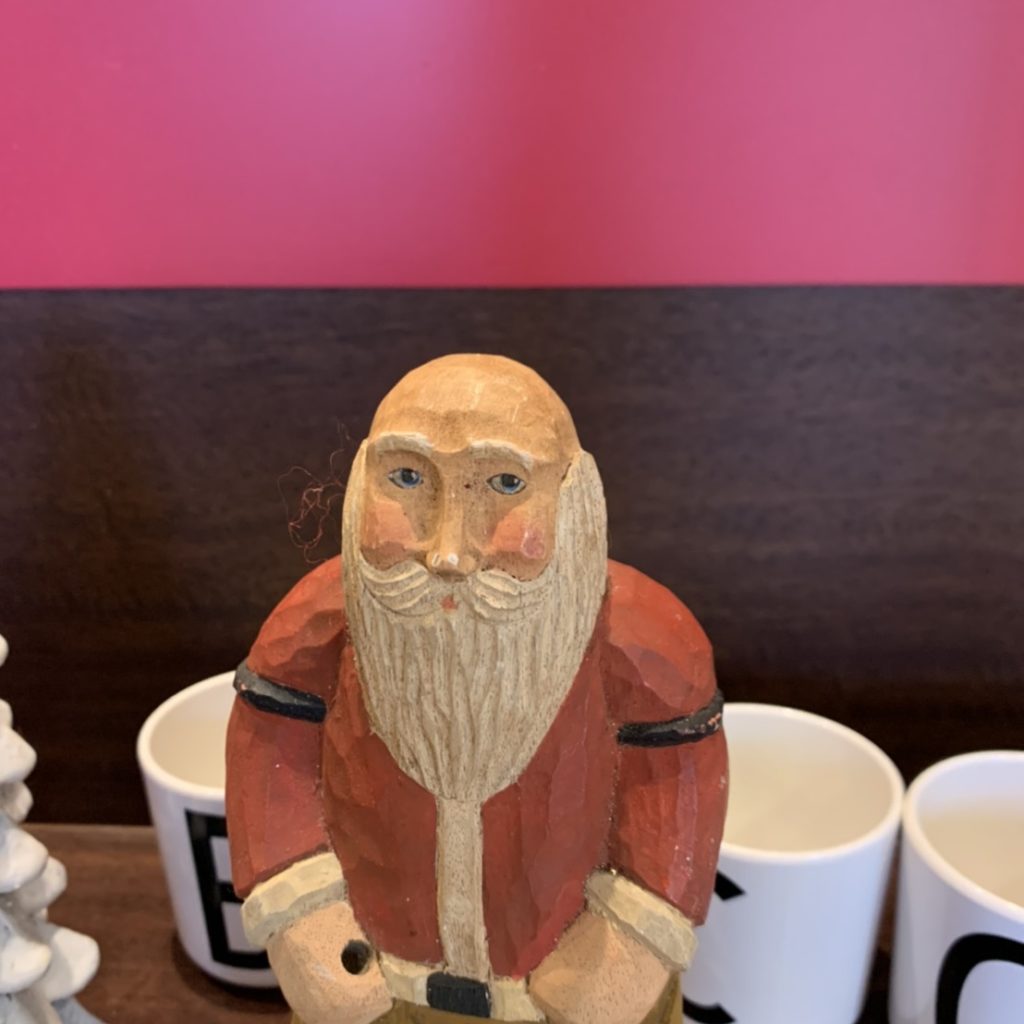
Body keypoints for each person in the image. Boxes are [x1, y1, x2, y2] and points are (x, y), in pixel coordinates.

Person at [227, 354, 727, 1024]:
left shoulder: (642, 638)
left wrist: (633, 935)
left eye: (505, 482)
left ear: (575, 496)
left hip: (557, 1004)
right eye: (407, 478)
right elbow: (268, 759)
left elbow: (675, 793)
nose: (449, 554)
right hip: (380, 996)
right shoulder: (319, 621)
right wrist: (302, 913)